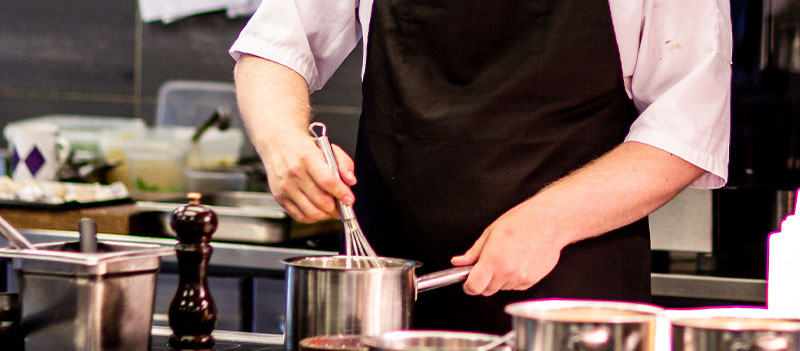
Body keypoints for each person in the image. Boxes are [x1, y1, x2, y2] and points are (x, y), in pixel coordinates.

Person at [230, 1, 732, 333]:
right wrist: (282, 142)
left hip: (568, 309)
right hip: (391, 301)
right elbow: (275, 47)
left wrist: (550, 220)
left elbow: (685, 127)